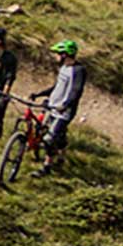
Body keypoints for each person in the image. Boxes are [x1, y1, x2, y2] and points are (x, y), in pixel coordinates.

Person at [32, 39, 86, 172]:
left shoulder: (78, 70)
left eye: (57, 53)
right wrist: (40, 94)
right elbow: (57, 87)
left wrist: (66, 105)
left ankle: (46, 167)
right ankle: (61, 156)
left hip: (64, 112)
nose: (55, 56)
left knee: (49, 139)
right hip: (53, 107)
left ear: (65, 55)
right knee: (58, 134)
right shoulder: (64, 68)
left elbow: (76, 91)